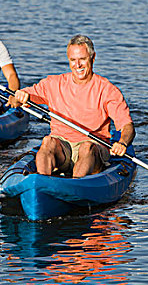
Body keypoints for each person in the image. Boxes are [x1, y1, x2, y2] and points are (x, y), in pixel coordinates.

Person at [8, 34, 135, 178]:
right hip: (63, 148)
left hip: (93, 147)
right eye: (73, 60)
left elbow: (127, 126)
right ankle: (41, 182)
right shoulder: (54, 84)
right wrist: (20, 95)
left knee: (87, 147)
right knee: (48, 142)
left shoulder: (107, 90)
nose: (78, 65)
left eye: (82, 59)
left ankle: (76, 184)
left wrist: (123, 143)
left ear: (93, 58)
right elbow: (20, 97)